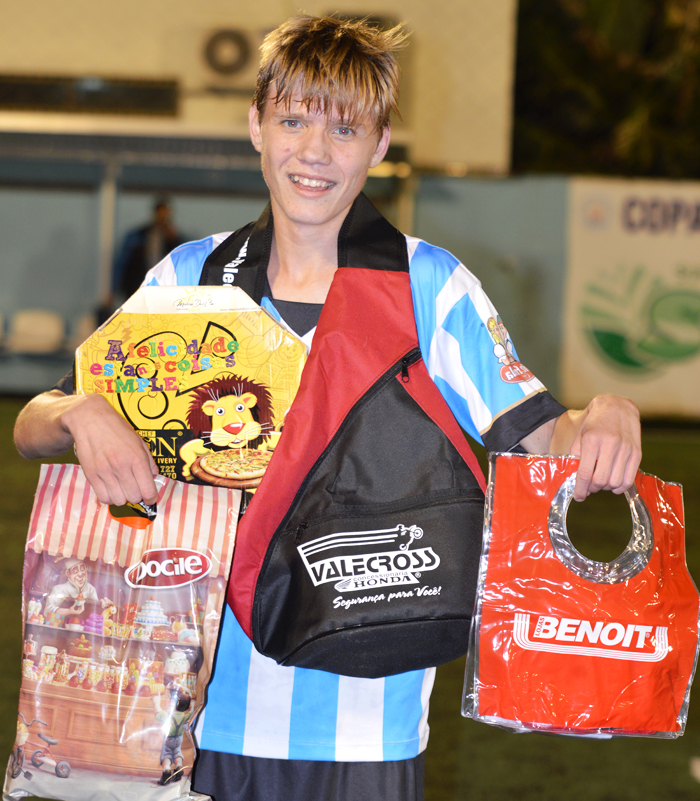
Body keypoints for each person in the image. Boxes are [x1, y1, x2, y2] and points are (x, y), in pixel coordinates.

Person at [14, 15, 641, 801]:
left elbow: (550, 436)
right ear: (255, 125)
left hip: (367, 731)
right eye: (293, 119)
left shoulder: (430, 287)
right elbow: (32, 425)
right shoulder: (188, 279)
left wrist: (606, 412)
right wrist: (79, 412)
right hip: (193, 717)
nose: (314, 151)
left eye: (345, 127)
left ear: (379, 145)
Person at [113, 198, 186, 300]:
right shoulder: (138, 236)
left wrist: (174, 240)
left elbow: (183, 262)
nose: (163, 218)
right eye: (161, 214)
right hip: (138, 285)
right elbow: (122, 263)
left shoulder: (174, 239)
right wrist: (115, 289)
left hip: (165, 288)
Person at [44, 556, 112, 615]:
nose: (80, 574)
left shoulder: (90, 589)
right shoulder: (59, 589)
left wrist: (103, 604)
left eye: (82, 569)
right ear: (68, 573)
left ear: (86, 568)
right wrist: (69, 611)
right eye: (75, 571)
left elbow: (95, 613)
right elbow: (47, 611)